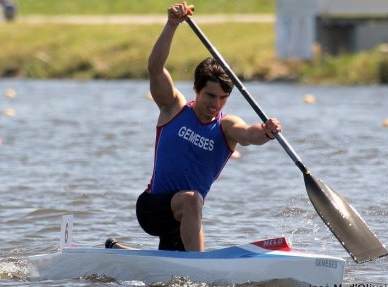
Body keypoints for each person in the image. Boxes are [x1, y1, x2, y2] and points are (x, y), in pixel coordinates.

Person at [110, 2, 281, 252]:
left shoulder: (226, 126)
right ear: (196, 90)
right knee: (193, 200)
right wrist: (171, 25)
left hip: (184, 218)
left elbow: (248, 135)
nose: (216, 103)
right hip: (152, 207)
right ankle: (199, 267)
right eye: (210, 95)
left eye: (223, 97)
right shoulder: (174, 108)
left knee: (173, 261)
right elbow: (155, 69)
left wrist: (266, 131)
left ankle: (119, 253)